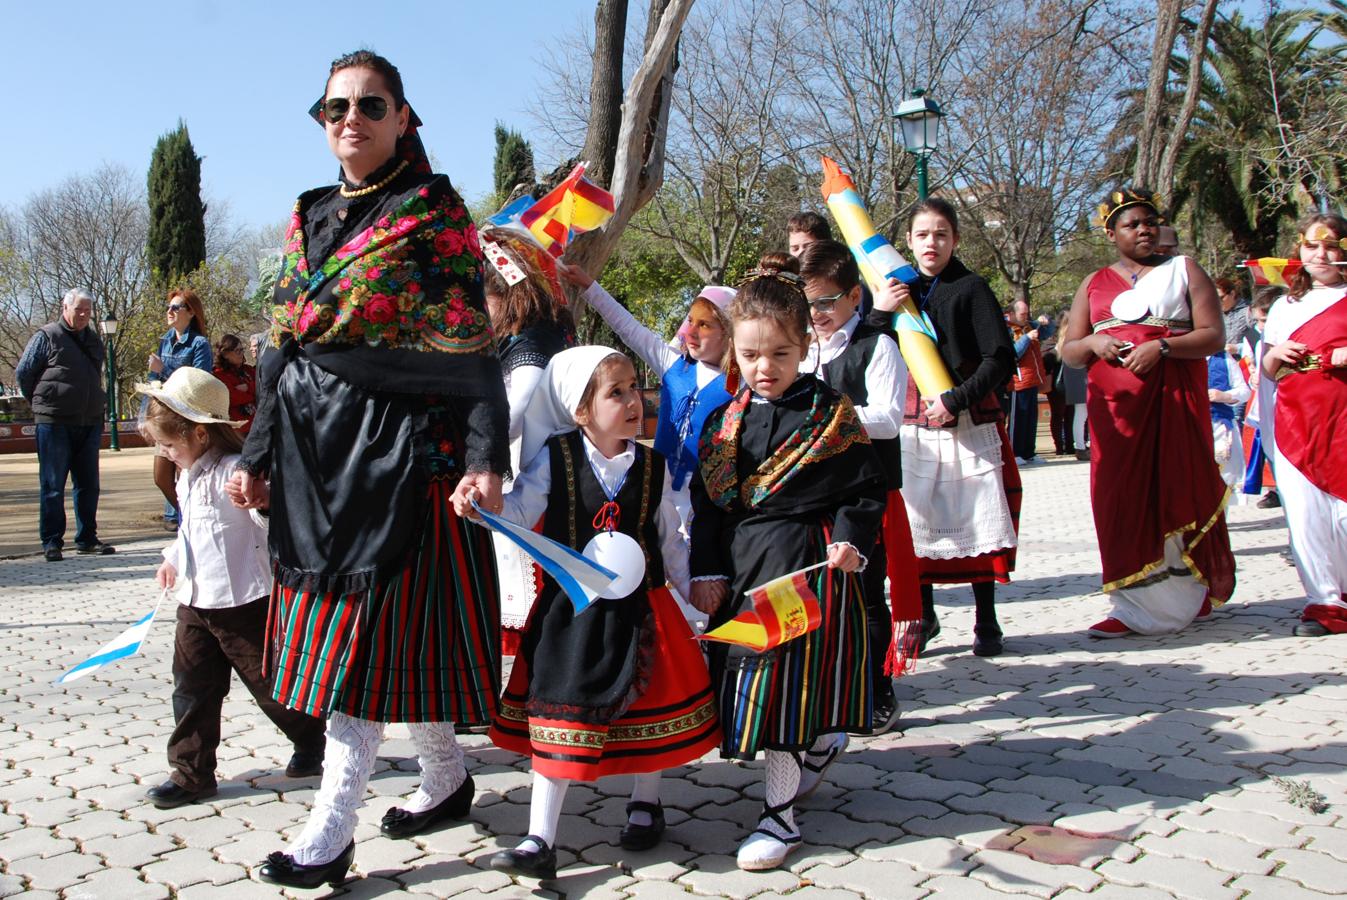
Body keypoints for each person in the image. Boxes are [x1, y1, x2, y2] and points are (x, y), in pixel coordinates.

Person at [237, 51, 509, 890]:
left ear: (402, 119)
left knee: (360, 650)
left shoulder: (433, 212)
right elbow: (285, 344)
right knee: (395, 643)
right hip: (316, 452)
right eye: (333, 109)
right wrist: (257, 451)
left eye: (369, 105)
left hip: (400, 452)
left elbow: (473, 350)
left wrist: (483, 456)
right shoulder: (309, 212)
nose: (349, 119)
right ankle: (447, 777)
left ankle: (331, 829)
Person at [461, 346, 720, 879]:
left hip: (645, 609)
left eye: (634, 388)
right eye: (616, 392)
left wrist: (690, 586)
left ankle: (646, 802)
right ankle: (539, 837)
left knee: (649, 705)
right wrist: (482, 508)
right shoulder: (554, 459)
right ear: (580, 410)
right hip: (573, 616)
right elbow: (517, 512)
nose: (633, 401)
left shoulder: (652, 465)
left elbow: (668, 538)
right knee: (560, 714)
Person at [691, 262, 886, 871]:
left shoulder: (833, 415)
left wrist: (852, 539)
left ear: (807, 346)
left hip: (802, 566)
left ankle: (780, 817)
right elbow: (707, 506)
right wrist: (705, 571)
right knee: (748, 686)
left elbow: (865, 491)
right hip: (741, 570)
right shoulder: (722, 421)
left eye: (780, 352)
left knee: (780, 689)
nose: (764, 367)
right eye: (750, 354)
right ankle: (820, 746)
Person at [135, 367, 326, 809]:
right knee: (191, 687)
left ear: (200, 434)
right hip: (195, 601)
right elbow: (191, 530)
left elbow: (269, 522)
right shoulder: (186, 476)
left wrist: (261, 501)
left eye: (168, 443)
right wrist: (172, 559)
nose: (165, 453)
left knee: (271, 685)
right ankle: (191, 773)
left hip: (244, 600)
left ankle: (313, 738)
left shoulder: (235, 472)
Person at [1059, 187, 1235, 638]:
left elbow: (1213, 335)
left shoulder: (1183, 270)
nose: (1144, 230)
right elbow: (1070, 350)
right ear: (1111, 232)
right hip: (1116, 414)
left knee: (1177, 483)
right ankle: (1131, 605)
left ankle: (1188, 594)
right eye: (1132, 224)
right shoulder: (1094, 283)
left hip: (1172, 401)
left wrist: (1161, 347)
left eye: (1149, 221)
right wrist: (1096, 343)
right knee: (1119, 497)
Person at [871, 199, 1020, 658]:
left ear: (954, 240)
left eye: (941, 234)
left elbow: (1001, 356)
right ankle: (925, 615)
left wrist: (956, 398)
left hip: (966, 416)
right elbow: (871, 347)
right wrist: (879, 311)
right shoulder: (898, 288)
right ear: (909, 241)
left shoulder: (971, 287)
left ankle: (987, 620)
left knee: (974, 515)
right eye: (922, 235)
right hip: (914, 420)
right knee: (917, 521)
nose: (931, 242)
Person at [798, 240, 919, 734]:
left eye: (826, 301)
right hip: (816, 492)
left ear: (853, 296)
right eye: (809, 304)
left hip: (870, 490)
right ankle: (833, 688)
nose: (817, 313)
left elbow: (889, 419)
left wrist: (825, 417)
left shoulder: (879, 344)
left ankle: (880, 688)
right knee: (822, 592)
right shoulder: (805, 348)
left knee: (868, 592)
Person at [556, 261, 734, 538]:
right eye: (690, 322)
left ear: (728, 333)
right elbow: (629, 327)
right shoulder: (673, 365)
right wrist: (589, 286)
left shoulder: (740, 384)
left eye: (705, 325)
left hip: (701, 497)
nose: (691, 332)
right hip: (654, 486)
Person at [482, 228, 574, 653]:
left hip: (539, 481)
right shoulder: (534, 332)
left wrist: (473, 446)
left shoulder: (531, 341)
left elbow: (514, 414)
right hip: (535, 473)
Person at [1259, 214, 1347, 636]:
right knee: (1306, 512)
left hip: (1343, 418)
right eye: (1312, 247)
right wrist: (1276, 356)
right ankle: (1324, 601)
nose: (1322, 255)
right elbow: (1267, 369)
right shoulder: (1284, 305)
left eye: (1331, 246)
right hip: (1296, 418)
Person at [15, 288, 115, 561]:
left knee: (88, 485)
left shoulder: (94, 341)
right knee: (53, 485)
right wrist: (42, 400)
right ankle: (51, 541)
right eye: (78, 309)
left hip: (89, 421)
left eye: (87, 310)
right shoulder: (45, 336)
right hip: (54, 421)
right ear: (65, 308)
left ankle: (87, 538)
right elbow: (24, 373)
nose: (83, 315)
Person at [148, 289, 212, 530]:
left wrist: (162, 370)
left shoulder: (199, 344)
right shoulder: (165, 340)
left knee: (184, 474)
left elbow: (199, 381)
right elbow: (154, 381)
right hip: (165, 416)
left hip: (187, 418)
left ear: (191, 313)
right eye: (169, 307)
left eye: (176, 307)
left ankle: (191, 522)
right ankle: (186, 515)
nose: (170, 311)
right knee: (160, 477)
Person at [1241, 286, 1282, 506]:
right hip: (1266, 411)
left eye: (1265, 320)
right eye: (1258, 321)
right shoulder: (1259, 341)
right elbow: (1253, 369)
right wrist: (1253, 378)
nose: (1260, 326)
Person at [1006, 300, 1045, 464]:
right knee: (1018, 419)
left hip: (1032, 380)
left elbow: (1048, 331)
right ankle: (1014, 453)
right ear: (1012, 314)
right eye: (1023, 314)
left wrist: (1045, 321)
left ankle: (1029, 452)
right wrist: (1027, 338)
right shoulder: (1008, 330)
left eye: (1027, 313)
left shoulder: (1028, 326)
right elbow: (1013, 353)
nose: (1026, 317)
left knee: (1030, 418)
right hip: (1017, 382)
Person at [1207, 350, 1251, 491]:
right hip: (1187, 427)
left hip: (1219, 425)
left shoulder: (1223, 358)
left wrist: (1225, 396)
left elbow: (1244, 391)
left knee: (1223, 478)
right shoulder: (1180, 355)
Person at [211, 333, 257, 434]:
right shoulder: (218, 375)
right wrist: (254, 392)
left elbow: (263, 387)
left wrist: (248, 387)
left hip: (258, 425)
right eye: (237, 351)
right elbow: (231, 397)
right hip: (238, 430)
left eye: (242, 350)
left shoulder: (248, 370)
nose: (241, 353)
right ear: (225, 354)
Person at [1216, 277, 1259, 360]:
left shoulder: (1248, 312)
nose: (1216, 302)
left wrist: (1237, 348)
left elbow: (1259, 342)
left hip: (1243, 364)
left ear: (1232, 294)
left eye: (1220, 298)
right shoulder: (1214, 314)